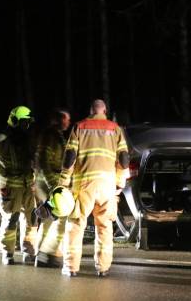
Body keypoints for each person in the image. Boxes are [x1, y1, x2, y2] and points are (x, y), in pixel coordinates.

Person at [59, 99, 129, 277]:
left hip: (84, 183)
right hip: (107, 184)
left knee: (76, 224)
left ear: (91, 111)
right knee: (105, 226)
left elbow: (70, 156)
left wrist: (63, 182)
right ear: (104, 111)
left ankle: (71, 267)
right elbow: (123, 158)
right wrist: (120, 182)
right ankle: (103, 268)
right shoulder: (115, 129)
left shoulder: (80, 126)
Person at [0, 106, 38, 265]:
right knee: (11, 219)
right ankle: (8, 253)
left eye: (28, 123)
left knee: (31, 219)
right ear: (15, 121)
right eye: (24, 122)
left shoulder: (27, 140)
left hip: (27, 186)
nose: (27, 126)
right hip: (10, 187)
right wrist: (1, 171)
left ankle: (29, 252)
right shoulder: (2, 139)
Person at [34, 109, 71, 267]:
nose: (69, 122)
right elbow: (43, 160)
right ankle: (46, 254)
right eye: (67, 119)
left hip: (45, 180)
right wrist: (52, 183)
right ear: (60, 120)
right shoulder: (51, 135)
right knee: (60, 215)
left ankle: (39, 254)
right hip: (48, 180)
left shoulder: (53, 135)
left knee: (49, 218)